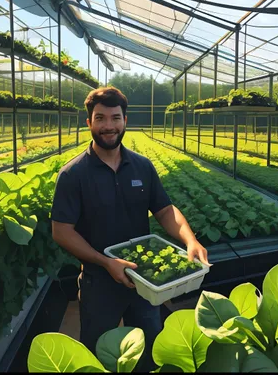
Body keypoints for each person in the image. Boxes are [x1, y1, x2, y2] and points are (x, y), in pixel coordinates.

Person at [50, 87, 210, 372]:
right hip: (99, 282)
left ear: (125, 121)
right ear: (88, 123)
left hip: (145, 280)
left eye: (115, 118)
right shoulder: (73, 174)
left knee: (149, 350)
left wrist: (190, 240)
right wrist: (105, 261)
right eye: (100, 118)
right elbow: (62, 231)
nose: (108, 126)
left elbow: (164, 210)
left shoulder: (142, 166)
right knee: (98, 354)